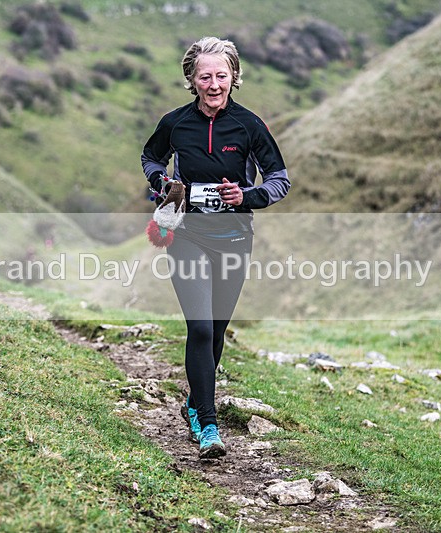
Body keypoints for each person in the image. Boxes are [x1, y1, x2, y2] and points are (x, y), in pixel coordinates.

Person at [141, 37, 290, 459]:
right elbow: (151, 158)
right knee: (201, 327)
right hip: (186, 234)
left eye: (221, 75)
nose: (213, 83)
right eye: (204, 76)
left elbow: (279, 179)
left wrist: (246, 195)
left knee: (218, 329)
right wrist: (162, 184)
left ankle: (195, 400)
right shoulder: (175, 123)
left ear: (234, 77)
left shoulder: (249, 125)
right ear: (191, 79)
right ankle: (207, 423)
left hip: (234, 238)